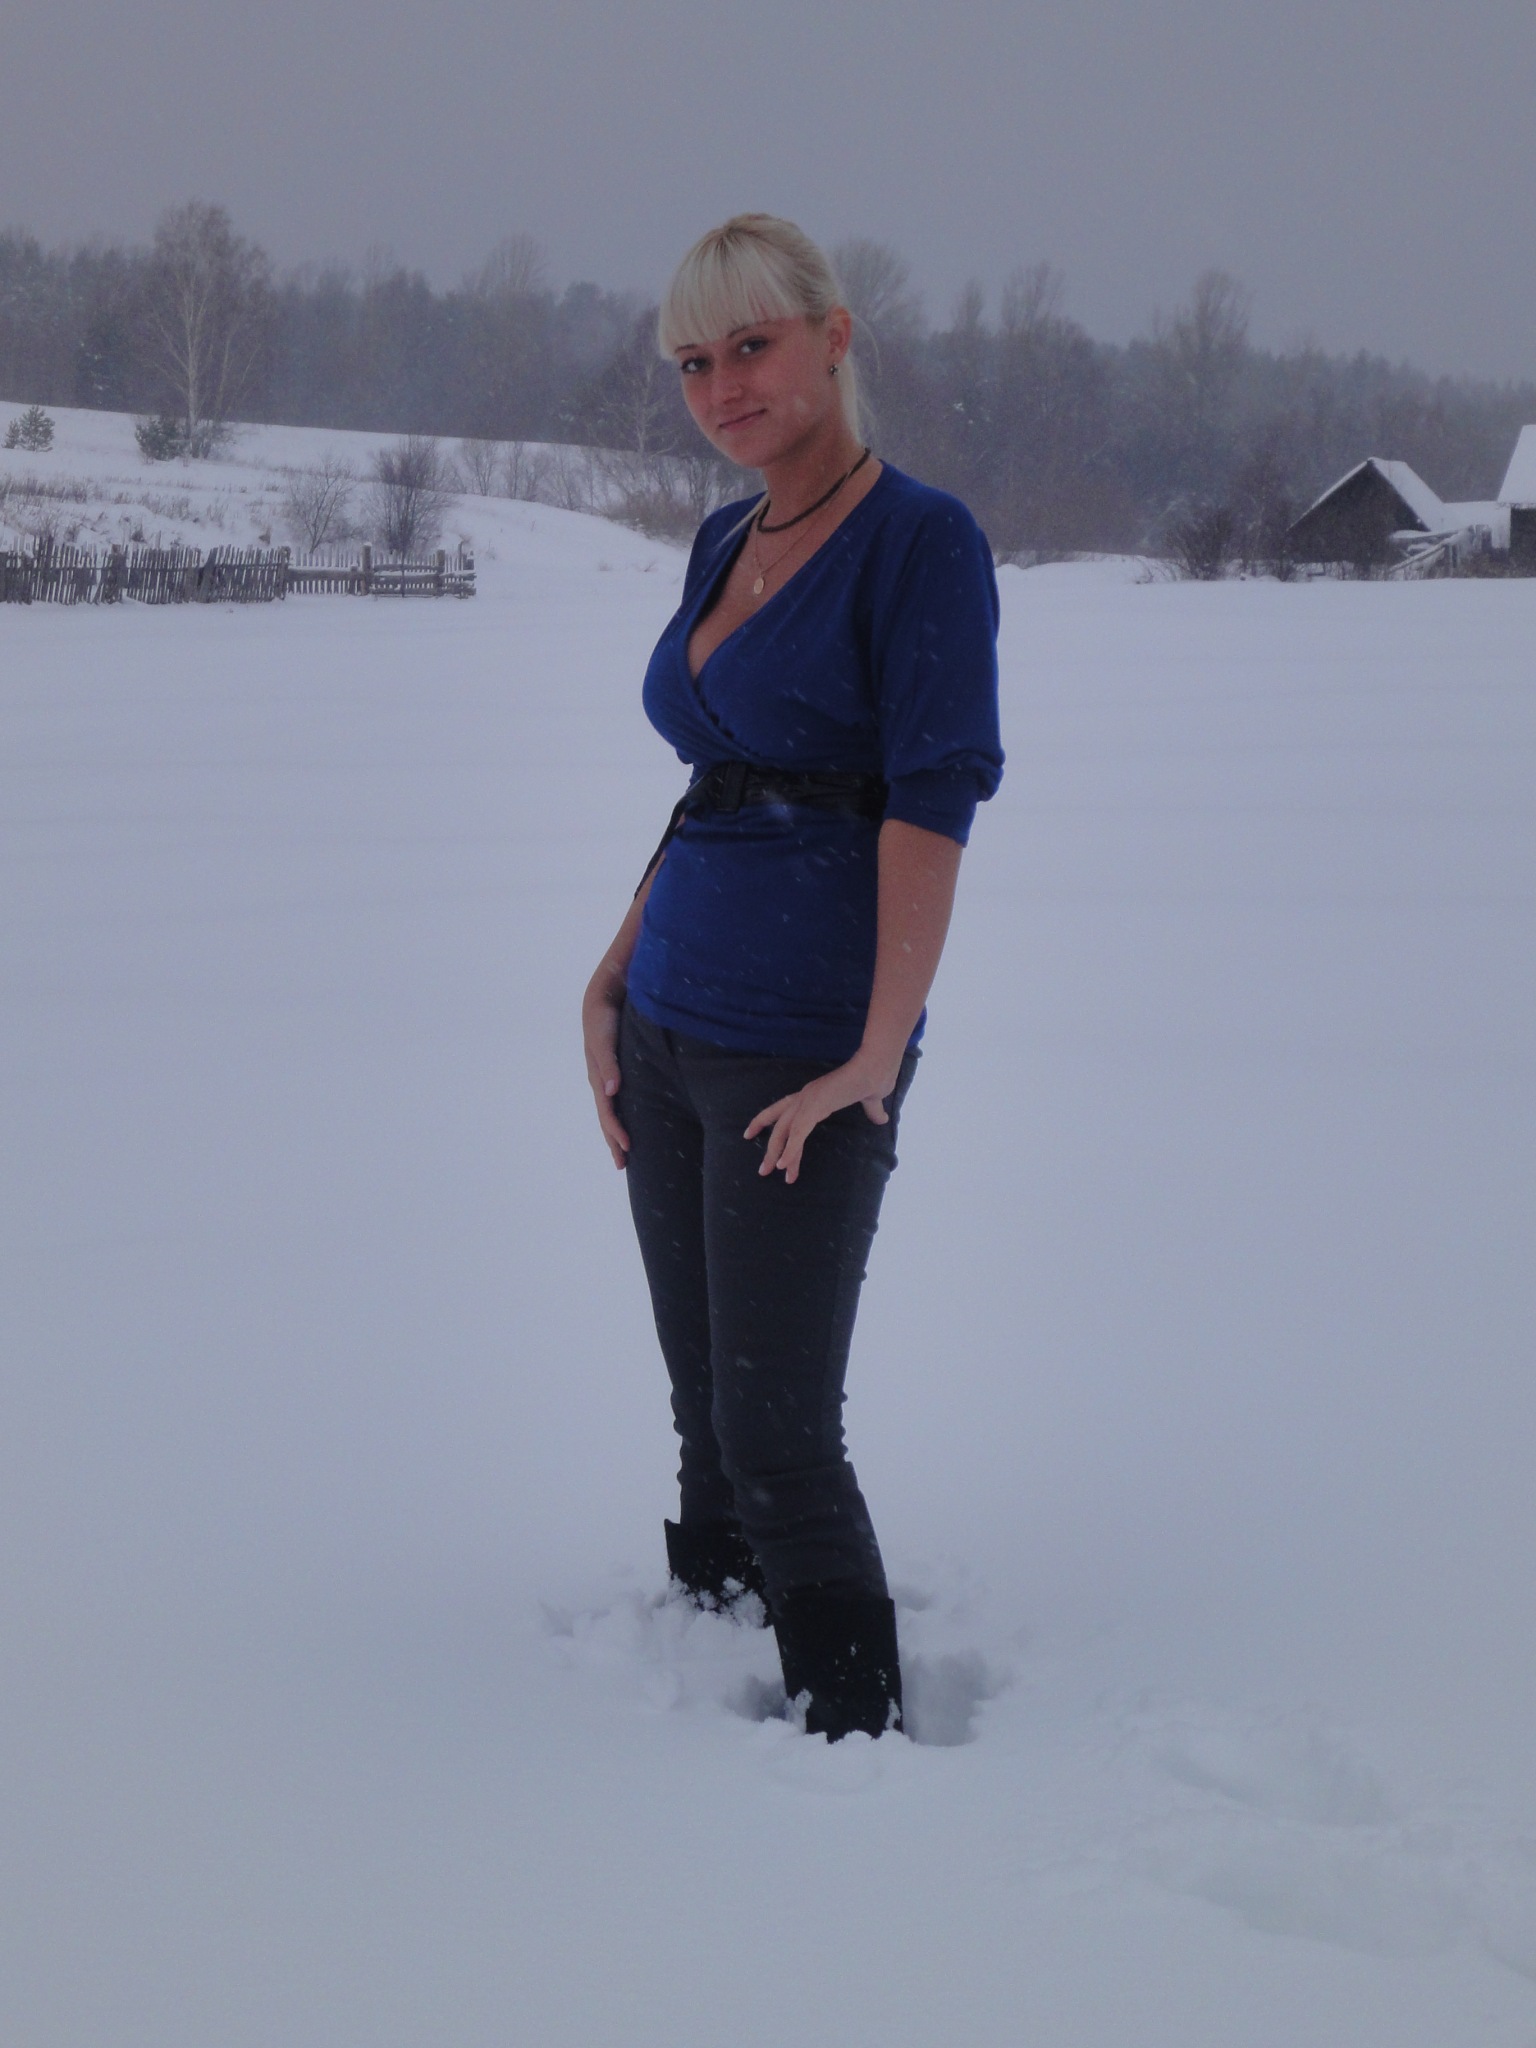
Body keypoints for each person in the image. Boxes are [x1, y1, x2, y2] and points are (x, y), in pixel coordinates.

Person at [582, 215, 1003, 1741]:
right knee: (704, 1404)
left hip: (801, 1053)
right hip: (668, 1026)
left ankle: (851, 1738)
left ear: (834, 338)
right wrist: (610, 977)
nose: (722, 389)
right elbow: (716, 782)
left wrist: (876, 1056)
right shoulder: (724, 539)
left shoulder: (920, 543)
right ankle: (707, 1657)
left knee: (777, 1428)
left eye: (750, 347)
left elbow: (931, 806)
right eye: (694, 363)